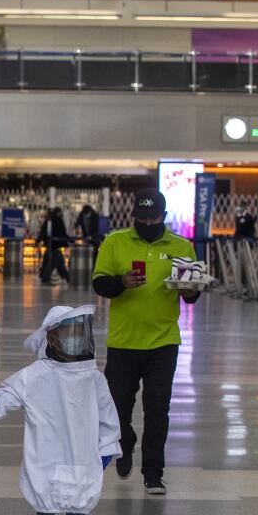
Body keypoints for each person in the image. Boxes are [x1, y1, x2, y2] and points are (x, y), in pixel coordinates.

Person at [0, 305, 121, 515]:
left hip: (82, 450)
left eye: (79, 332)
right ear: (52, 338)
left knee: (80, 496)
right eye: (69, 332)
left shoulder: (93, 378)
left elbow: (107, 415)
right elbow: (7, 397)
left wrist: (108, 446)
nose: (76, 337)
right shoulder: (35, 375)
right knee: (48, 494)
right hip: (48, 449)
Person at [92, 188, 201, 495]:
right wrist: (122, 283)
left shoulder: (181, 246)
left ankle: (153, 471)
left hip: (163, 342)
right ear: (134, 217)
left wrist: (190, 290)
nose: (148, 222)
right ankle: (125, 443)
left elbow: (191, 294)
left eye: (153, 217)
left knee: (157, 409)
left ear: (163, 217)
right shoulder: (116, 242)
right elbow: (100, 283)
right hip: (123, 342)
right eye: (142, 218)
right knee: (117, 408)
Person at [38, 206, 70, 284]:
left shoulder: (48, 220)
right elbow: (62, 232)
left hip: (49, 245)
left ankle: (68, 278)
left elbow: (43, 232)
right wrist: (68, 241)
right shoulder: (58, 220)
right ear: (59, 213)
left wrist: (39, 240)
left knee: (58, 262)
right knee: (53, 261)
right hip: (55, 245)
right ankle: (45, 278)